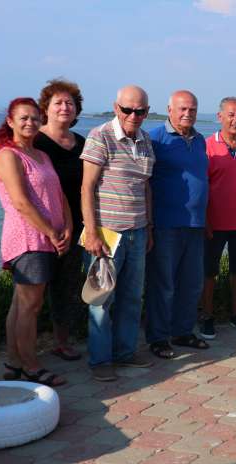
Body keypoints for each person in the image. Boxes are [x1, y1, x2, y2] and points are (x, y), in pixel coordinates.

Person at [0, 97, 71, 386]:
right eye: (23, 118)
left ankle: (14, 362)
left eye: (35, 118)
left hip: (47, 238)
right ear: (10, 121)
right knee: (30, 306)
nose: (30, 122)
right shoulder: (8, 156)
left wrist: (67, 227)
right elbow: (21, 202)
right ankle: (31, 366)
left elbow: (59, 195)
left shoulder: (41, 155)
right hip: (28, 239)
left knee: (20, 303)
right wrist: (51, 232)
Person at [81, 85, 155, 381]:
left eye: (140, 111)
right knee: (101, 300)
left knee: (132, 298)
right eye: (127, 110)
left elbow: (145, 187)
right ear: (116, 108)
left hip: (138, 232)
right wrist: (92, 233)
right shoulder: (100, 136)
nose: (133, 115)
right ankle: (100, 361)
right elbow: (87, 187)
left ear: (147, 112)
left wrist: (149, 226)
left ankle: (125, 353)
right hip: (107, 234)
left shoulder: (146, 140)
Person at [145, 90, 209, 359]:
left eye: (192, 109)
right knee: (163, 284)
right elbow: (145, 182)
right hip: (165, 224)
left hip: (195, 224)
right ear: (169, 110)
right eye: (182, 109)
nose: (187, 114)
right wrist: (149, 224)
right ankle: (158, 337)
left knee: (191, 283)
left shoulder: (200, 140)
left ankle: (182, 331)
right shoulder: (155, 138)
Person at [35, 78, 86, 361]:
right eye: (58, 103)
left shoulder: (81, 143)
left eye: (70, 103)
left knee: (68, 286)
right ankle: (25, 348)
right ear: (46, 108)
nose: (65, 107)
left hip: (76, 225)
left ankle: (61, 342)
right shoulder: (35, 142)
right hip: (41, 226)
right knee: (34, 290)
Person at [200, 97, 236, 338]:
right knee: (208, 272)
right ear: (220, 116)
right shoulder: (207, 146)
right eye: (231, 114)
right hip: (213, 223)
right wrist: (204, 219)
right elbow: (201, 186)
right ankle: (207, 316)